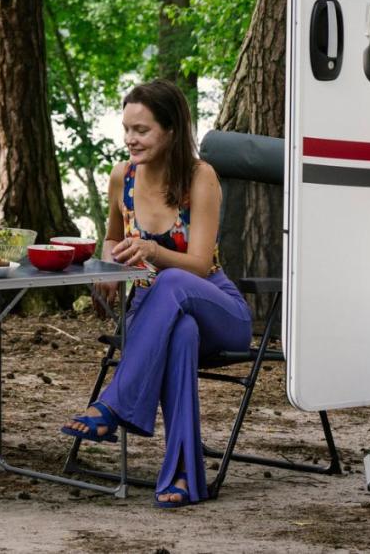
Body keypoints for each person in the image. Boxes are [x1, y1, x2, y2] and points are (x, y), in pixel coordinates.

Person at [61, 79, 251, 508]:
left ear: (170, 130)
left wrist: (152, 250)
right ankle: (185, 476)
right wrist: (107, 267)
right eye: (126, 128)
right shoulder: (121, 178)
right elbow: (110, 241)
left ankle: (112, 404)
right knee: (180, 332)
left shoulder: (199, 177)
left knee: (170, 282)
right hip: (155, 314)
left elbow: (200, 265)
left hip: (217, 310)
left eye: (141, 130)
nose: (130, 139)